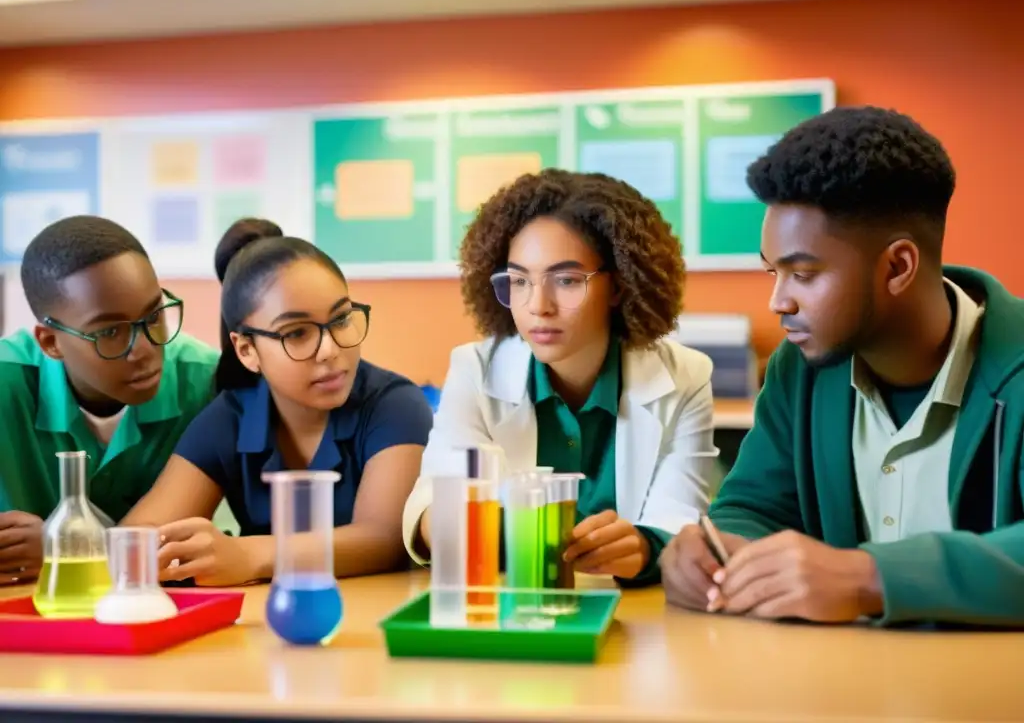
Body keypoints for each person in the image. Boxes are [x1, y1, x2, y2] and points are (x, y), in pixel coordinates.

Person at [661, 106, 1024, 627]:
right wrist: (716, 553)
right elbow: (753, 508)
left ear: (898, 266)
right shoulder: (797, 369)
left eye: (803, 274)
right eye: (773, 272)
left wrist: (866, 577)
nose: (778, 302)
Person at [403, 169, 717, 585]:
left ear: (621, 286)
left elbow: (678, 523)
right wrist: (444, 522)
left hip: (637, 621)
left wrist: (642, 548)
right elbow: (431, 512)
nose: (538, 306)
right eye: (518, 281)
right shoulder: (474, 371)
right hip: (512, 611)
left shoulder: (686, 378)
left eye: (566, 280)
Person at [122, 219, 434, 586]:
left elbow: (384, 538)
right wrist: (162, 551)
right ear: (246, 350)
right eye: (297, 333)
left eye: (341, 319)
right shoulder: (230, 418)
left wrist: (249, 555)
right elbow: (138, 538)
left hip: (374, 622)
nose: (330, 350)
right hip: (263, 625)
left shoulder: (394, 404)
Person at [0, 216, 219, 586]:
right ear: (50, 342)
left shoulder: (206, 382)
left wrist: (66, 548)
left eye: (153, 316)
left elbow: (189, 549)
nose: (146, 349)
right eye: (110, 332)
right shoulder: (8, 384)